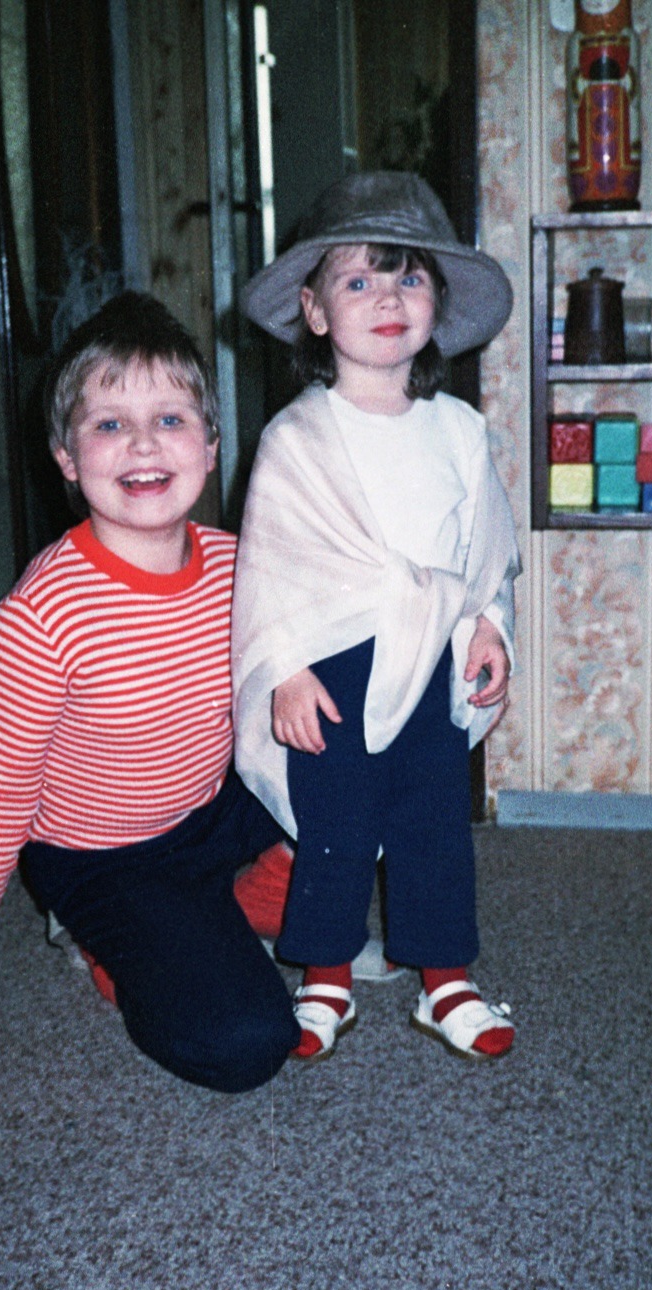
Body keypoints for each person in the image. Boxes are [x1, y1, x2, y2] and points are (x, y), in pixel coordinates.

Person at [0, 291, 299, 1093]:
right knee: (249, 1041)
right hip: (101, 859)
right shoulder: (40, 617)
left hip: (213, 808)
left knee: (366, 771)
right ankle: (117, 946)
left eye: (170, 419)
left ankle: (226, 906)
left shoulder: (243, 561)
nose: (142, 443)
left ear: (210, 445)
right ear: (66, 458)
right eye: (109, 424)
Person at [232, 171, 521, 1064]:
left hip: (430, 655)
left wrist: (487, 626)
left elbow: (485, 552)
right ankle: (325, 973)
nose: (387, 298)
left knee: (434, 816)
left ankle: (445, 980)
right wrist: (281, 665)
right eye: (358, 281)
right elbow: (269, 565)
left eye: (408, 278)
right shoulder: (296, 437)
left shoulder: (459, 431)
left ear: (437, 301)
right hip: (331, 665)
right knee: (337, 821)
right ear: (316, 311)